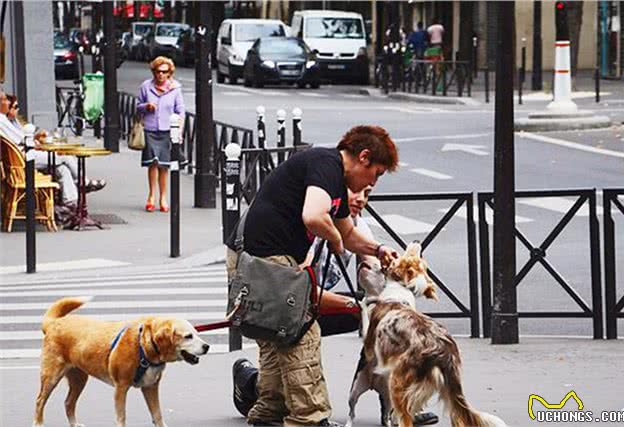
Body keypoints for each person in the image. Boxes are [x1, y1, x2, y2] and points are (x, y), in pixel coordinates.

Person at [226, 125, 399, 427]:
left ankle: (269, 411)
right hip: (263, 257)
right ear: (364, 157)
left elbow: (349, 234)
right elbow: (314, 216)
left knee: (275, 338)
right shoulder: (326, 165)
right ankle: (309, 418)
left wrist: (378, 248)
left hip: (263, 257)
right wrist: (332, 237)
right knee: (300, 332)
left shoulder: (334, 180)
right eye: (377, 173)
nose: (373, 182)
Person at [233, 184, 440, 426]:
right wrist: (357, 305)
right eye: (355, 192)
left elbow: (370, 268)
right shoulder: (310, 225)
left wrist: (386, 279)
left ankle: (395, 402)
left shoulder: (355, 225)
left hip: (313, 302)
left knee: (385, 329)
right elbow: (301, 291)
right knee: (283, 375)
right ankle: (247, 383)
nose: (361, 199)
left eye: (367, 194)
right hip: (284, 303)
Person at [0, 90, 105, 211]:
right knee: (65, 157)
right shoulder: (2, 119)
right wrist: (34, 142)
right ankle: (84, 182)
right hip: (23, 158)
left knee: (62, 169)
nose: (7, 103)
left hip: (21, 157)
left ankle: (70, 202)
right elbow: (21, 139)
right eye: (4, 100)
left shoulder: (7, 119)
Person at [136, 56, 184, 213]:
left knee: (164, 165)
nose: (161, 75)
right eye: (158, 71)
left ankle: (163, 197)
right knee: (153, 163)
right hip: (150, 129)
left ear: (169, 73)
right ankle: (151, 196)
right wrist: (146, 107)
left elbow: (180, 111)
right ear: (153, 72)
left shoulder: (175, 88)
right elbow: (138, 106)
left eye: (164, 72)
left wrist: (179, 132)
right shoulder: (146, 86)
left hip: (167, 130)